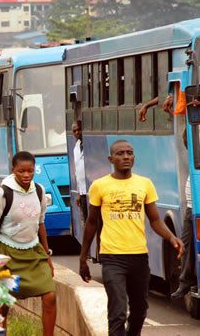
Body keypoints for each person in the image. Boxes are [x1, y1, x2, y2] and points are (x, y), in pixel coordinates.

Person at [79, 140, 184, 336]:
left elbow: (155, 220)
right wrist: (83, 258)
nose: (126, 157)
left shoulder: (145, 184)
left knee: (139, 311)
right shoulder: (99, 186)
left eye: (129, 153)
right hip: (112, 258)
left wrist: (171, 237)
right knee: (118, 311)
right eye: (120, 153)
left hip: (139, 257)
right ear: (111, 159)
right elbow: (92, 223)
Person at [0, 151, 56, 335]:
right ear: (13, 170)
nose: (26, 175)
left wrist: (47, 255)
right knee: (2, 303)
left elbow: (40, 224)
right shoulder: (3, 194)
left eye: (30, 171)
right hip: (7, 252)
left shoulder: (39, 191)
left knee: (50, 296)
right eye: (21, 171)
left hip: (33, 252)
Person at [172, 130, 196, 299]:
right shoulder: (193, 155)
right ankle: (185, 283)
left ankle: (188, 281)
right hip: (190, 207)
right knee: (185, 245)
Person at [72, 120, 88, 223]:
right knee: (86, 219)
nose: (77, 132)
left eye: (79, 129)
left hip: (90, 189)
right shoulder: (76, 147)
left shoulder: (89, 144)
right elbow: (77, 171)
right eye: (75, 131)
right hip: (82, 191)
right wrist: (78, 193)